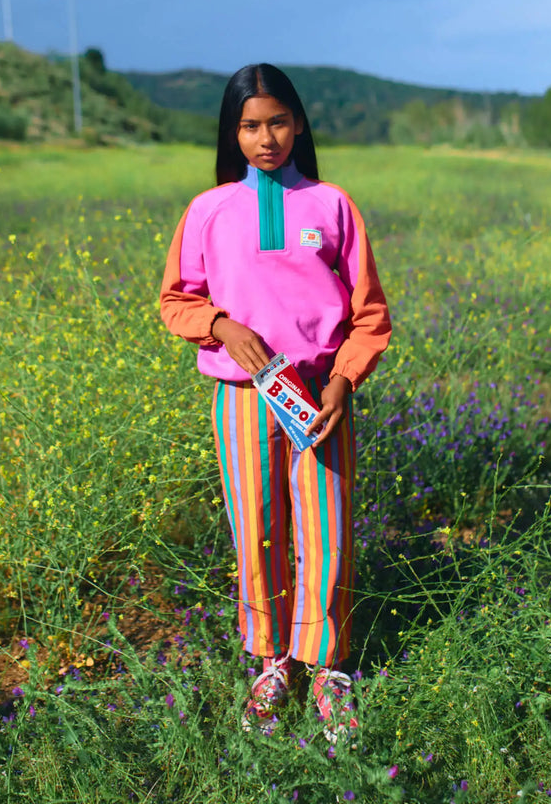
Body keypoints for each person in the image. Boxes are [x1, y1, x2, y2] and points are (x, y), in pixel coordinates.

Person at [160, 63, 391, 741]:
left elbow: (369, 314)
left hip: (321, 395)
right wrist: (222, 326)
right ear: (232, 132)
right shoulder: (209, 210)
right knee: (256, 529)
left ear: (299, 123)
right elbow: (178, 299)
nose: (267, 139)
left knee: (327, 530)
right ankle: (272, 660)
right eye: (251, 125)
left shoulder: (332, 205)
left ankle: (328, 667)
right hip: (242, 398)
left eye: (279, 122)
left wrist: (345, 382)